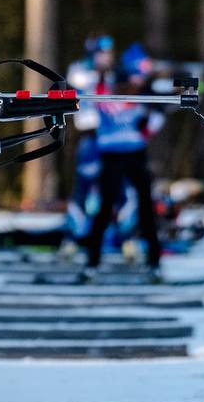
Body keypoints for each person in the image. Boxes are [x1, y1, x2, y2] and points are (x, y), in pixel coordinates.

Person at [82, 42, 165, 279]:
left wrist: (151, 116)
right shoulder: (105, 92)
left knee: (146, 208)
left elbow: (153, 121)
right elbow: (91, 99)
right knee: (105, 207)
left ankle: (154, 261)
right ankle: (92, 262)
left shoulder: (143, 95)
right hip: (112, 155)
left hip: (135, 154)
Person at [62, 35, 115, 251]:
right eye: (103, 53)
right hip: (89, 137)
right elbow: (80, 83)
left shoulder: (112, 74)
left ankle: (114, 236)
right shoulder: (79, 70)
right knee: (82, 189)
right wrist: (99, 72)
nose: (107, 57)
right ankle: (73, 238)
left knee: (114, 189)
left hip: (111, 139)